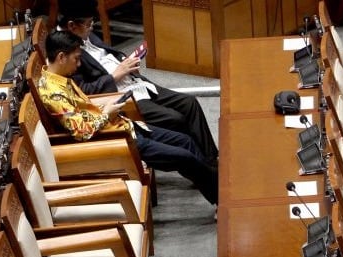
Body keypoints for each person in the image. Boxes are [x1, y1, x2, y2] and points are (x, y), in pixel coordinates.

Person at [36, 29, 219, 206]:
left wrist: (103, 109)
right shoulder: (53, 93)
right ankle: (220, 197)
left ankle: (217, 184)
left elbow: (83, 110)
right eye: (76, 59)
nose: (78, 65)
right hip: (116, 140)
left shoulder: (58, 77)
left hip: (125, 125)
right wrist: (106, 112)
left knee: (185, 141)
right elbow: (81, 131)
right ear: (61, 57)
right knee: (184, 156)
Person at [56, 0, 218, 163]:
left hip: (133, 81)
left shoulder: (81, 31)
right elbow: (83, 91)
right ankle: (199, 165)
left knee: (190, 103)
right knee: (175, 118)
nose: (92, 28)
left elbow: (105, 53)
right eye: (89, 24)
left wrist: (125, 60)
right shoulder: (64, 53)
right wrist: (115, 76)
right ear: (71, 26)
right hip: (119, 95)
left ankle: (211, 160)